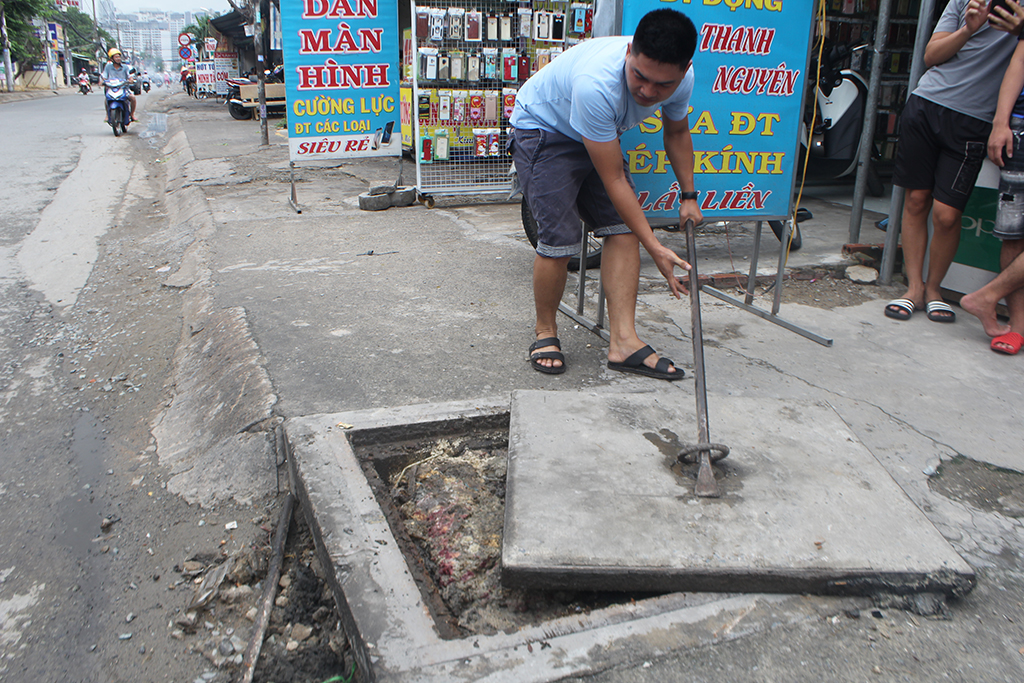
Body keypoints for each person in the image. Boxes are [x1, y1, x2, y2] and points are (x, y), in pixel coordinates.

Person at [510, 8, 700, 380]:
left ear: (683, 69)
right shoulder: (595, 84)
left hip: (598, 134)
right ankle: (545, 331)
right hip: (544, 131)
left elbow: (676, 133)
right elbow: (613, 180)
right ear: (629, 51)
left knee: (622, 230)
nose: (648, 92)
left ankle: (623, 342)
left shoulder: (684, 78)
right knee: (559, 239)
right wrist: (656, 247)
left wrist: (689, 195)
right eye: (640, 77)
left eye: (662, 85)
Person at [884, 0, 1024, 324]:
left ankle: (935, 289)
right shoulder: (963, 1)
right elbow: (931, 56)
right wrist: (967, 29)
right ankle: (915, 288)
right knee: (916, 201)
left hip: (974, 121)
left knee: (947, 215)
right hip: (926, 105)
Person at [960, 36, 1024, 354]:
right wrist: (1000, 123)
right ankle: (1018, 327)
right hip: (1021, 129)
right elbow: (1021, 60)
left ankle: (987, 296)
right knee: (1014, 235)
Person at [100, 48, 137, 122]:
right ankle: (107, 114)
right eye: (116, 57)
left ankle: (132, 114)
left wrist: (131, 80)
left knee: (133, 98)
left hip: (123, 89)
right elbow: (104, 76)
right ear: (112, 58)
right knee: (106, 99)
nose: (118, 58)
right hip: (111, 88)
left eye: (119, 56)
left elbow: (129, 76)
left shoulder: (125, 67)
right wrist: (102, 81)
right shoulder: (108, 67)